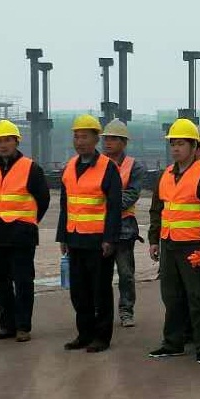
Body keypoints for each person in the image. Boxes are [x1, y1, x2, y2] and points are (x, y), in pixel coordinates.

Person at [148, 119, 200, 364]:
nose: (175, 148)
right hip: (169, 244)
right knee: (171, 296)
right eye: (173, 144)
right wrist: (153, 239)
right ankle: (173, 343)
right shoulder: (165, 175)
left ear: (194, 146)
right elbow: (157, 210)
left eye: (181, 143)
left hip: (195, 245)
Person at [56, 114, 122, 353]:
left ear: (96, 139)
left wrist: (109, 239)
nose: (80, 141)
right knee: (79, 291)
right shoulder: (69, 167)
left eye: (84, 137)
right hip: (75, 238)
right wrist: (63, 236)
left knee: (100, 291)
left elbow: (114, 207)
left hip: (98, 241)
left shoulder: (108, 168)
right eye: (76, 137)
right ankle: (84, 334)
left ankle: (102, 337)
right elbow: (65, 205)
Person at [0, 119, 51, 344]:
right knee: (0, 283)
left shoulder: (31, 168)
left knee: (23, 282)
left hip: (22, 234)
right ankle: (7, 326)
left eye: (7, 140)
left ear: (16, 142)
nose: (3, 145)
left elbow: (43, 199)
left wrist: (29, 222)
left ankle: (23, 327)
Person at [102, 119, 146, 328]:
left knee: (126, 274)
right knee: (100, 275)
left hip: (124, 228)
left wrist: (105, 203)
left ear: (123, 142)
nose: (108, 143)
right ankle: (102, 312)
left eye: (113, 139)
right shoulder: (97, 164)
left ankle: (126, 311)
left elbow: (131, 195)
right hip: (100, 228)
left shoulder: (134, 167)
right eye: (106, 139)